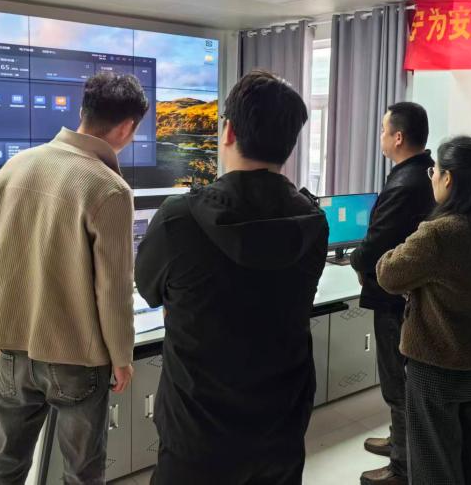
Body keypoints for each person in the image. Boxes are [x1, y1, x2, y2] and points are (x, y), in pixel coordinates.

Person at [135, 70, 328, 485]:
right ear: (290, 143)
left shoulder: (178, 219)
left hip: (198, 427)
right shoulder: (313, 221)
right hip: (281, 421)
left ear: (228, 132)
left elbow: (149, 290)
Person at [0, 73, 148, 484]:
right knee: (81, 473)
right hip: (76, 359)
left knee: (6, 463)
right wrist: (121, 357)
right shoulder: (110, 188)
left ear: (83, 111)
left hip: (12, 350)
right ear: (126, 127)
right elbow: (113, 288)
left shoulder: (16, 166)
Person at [376, 136, 471, 485]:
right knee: (470, 462)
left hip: (437, 366)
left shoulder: (440, 233)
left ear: (448, 178)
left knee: (432, 465)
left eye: (434, 171)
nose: (432, 177)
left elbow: (388, 274)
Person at [349, 102, 435, 485]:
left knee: (396, 382)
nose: (381, 136)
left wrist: (355, 260)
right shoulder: (424, 173)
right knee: (400, 378)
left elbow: (376, 243)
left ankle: (401, 466)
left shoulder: (405, 183)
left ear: (398, 137)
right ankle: (399, 441)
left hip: (393, 296)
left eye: (384, 130)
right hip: (407, 292)